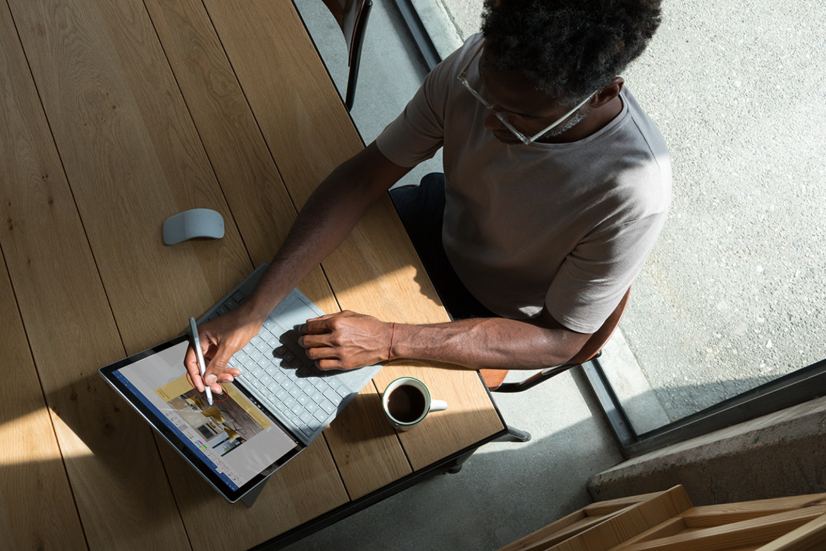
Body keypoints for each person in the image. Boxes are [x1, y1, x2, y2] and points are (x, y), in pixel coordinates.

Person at [184, 0, 671, 396]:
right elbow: (366, 176)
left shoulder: (632, 193)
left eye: (520, 118)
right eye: (485, 97)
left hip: (491, 313)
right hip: (433, 219)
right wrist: (256, 307)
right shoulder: (475, 63)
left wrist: (391, 340)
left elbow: (563, 340)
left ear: (604, 94)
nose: (487, 123)